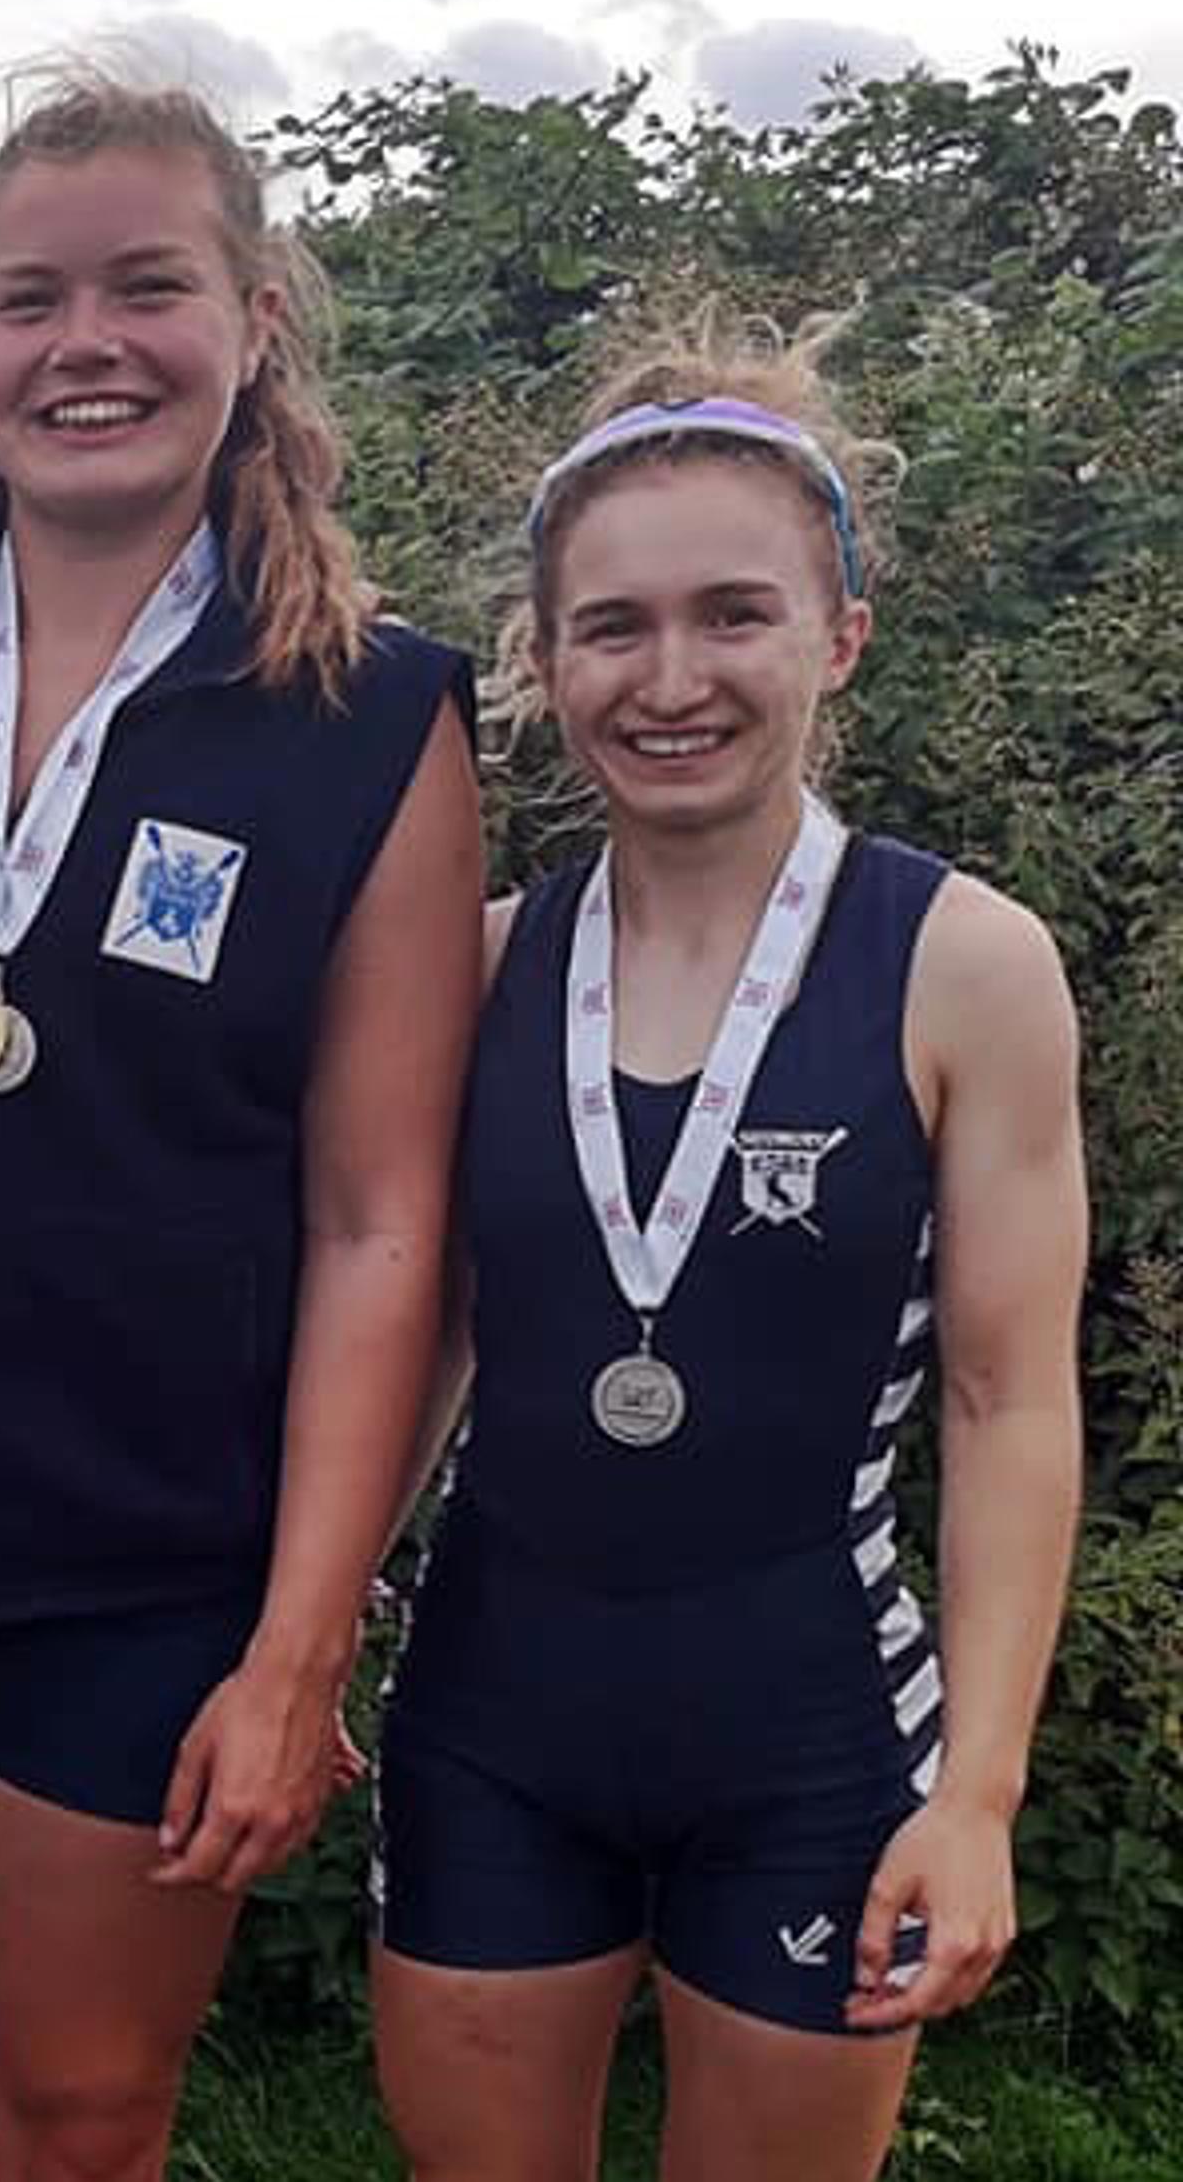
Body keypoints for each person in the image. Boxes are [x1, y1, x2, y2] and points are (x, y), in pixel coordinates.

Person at [0, 70, 481, 2181]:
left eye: (149, 287)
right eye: (29, 298)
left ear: (255, 320)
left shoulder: (372, 716)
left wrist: (303, 1640)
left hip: (159, 1559)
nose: (87, 346)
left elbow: (381, 1220)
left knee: (83, 2110)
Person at [370, 334, 1086, 2182]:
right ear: (544, 661)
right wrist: (303, 1639)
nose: (671, 680)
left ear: (838, 636)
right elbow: (420, 1330)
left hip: (814, 1736)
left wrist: (981, 1794)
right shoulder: (479, 962)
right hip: (494, 1718)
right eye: (613, 628)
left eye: (733, 616)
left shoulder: (965, 965)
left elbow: (1009, 1400)